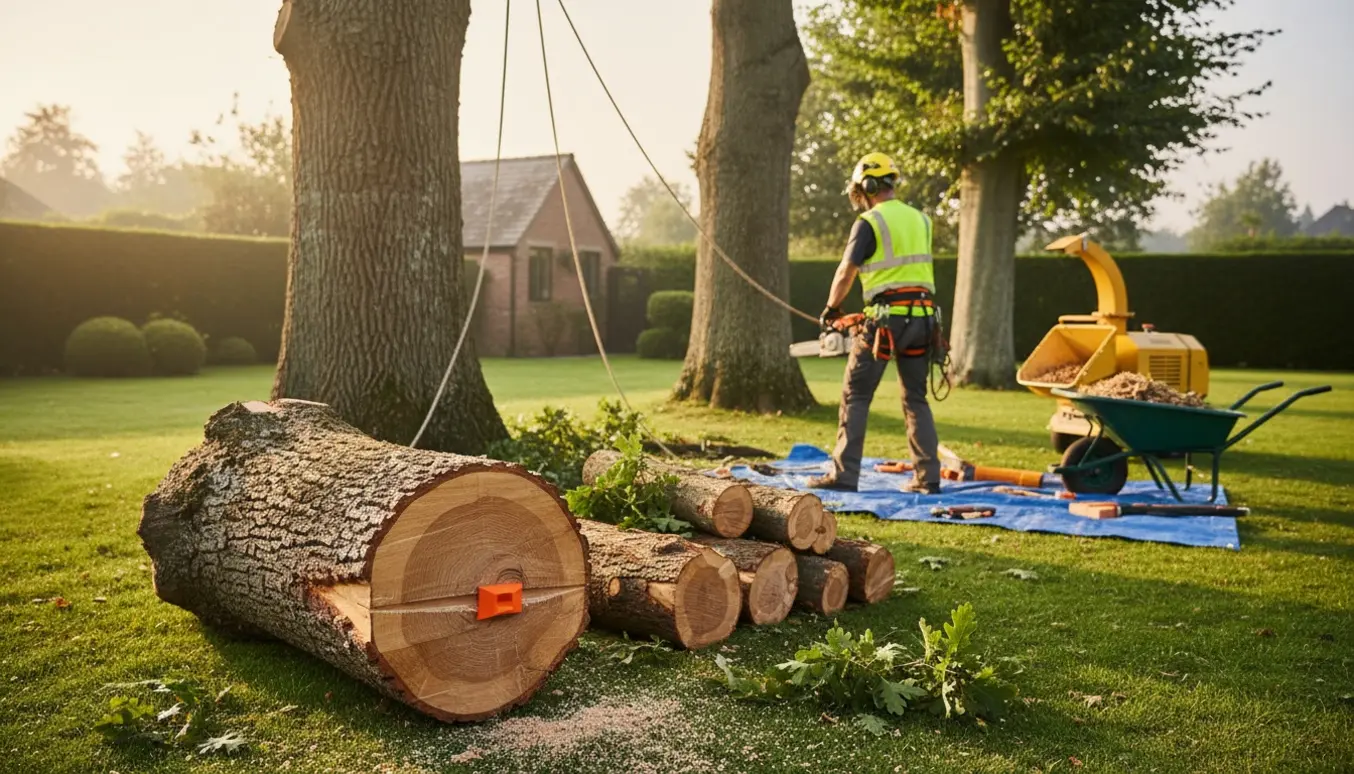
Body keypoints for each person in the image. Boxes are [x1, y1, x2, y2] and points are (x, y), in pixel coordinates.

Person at [809, 152, 941, 494]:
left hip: (885, 322)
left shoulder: (869, 222)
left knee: (856, 395)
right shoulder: (922, 220)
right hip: (923, 319)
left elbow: (846, 271)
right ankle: (928, 478)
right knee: (916, 398)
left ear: (866, 187)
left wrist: (831, 309)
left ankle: (844, 475)